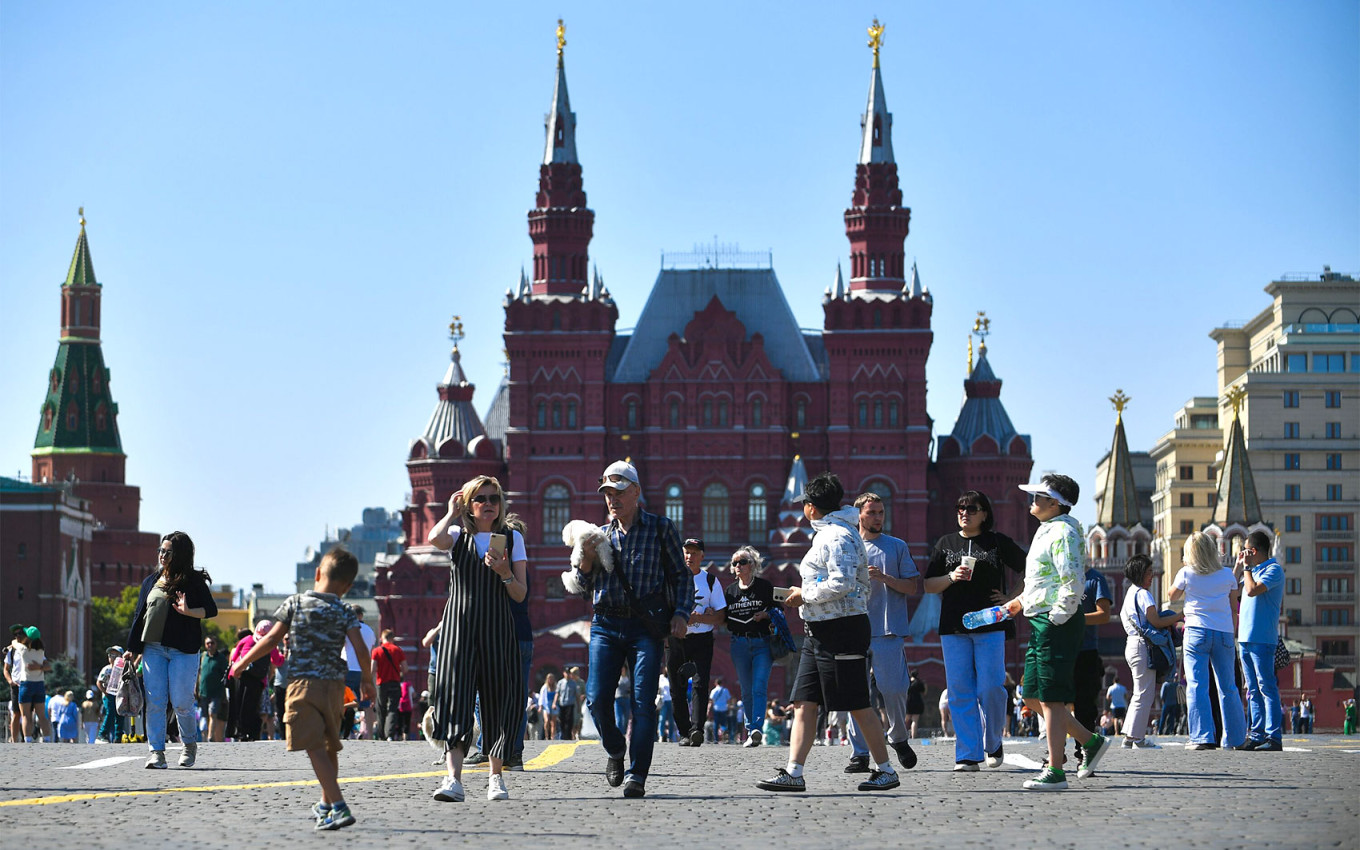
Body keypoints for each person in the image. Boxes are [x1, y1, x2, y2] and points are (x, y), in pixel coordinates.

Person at [756, 472, 901, 793]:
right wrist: (805, 593)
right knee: (804, 701)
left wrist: (803, 594)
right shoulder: (830, 533)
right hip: (818, 630)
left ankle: (886, 770)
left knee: (857, 702)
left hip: (843, 630)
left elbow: (843, 582)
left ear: (810, 508)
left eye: (804, 505)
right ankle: (794, 772)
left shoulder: (836, 536)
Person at [567, 460, 692, 799]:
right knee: (595, 699)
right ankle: (614, 749)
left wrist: (681, 613)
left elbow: (681, 576)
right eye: (607, 493)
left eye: (619, 492)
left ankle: (637, 775)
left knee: (643, 703)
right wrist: (587, 559)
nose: (612, 499)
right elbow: (581, 586)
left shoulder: (660, 528)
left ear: (636, 492)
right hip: (605, 625)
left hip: (644, 628)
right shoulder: (597, 536)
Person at [232, 547, 374, 831]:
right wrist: (368, 681)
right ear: (347, 587)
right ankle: (325, 807)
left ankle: (340, 806)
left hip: (302, 685)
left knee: (312, 745)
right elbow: (360, 648)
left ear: (317, 574)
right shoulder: (345, 610)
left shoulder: (295, 602)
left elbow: (271, 639)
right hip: (335, 686)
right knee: (328, 745)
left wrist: (242, 662)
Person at [1004, 475, 1111, 791]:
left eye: (1038, 496)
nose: (1032, 501)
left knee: (1051, 696)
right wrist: (1019, 603)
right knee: (1032, 695)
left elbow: (1071, 580)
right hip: (1041, 619)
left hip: (1055, 622)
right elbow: (1041, 580)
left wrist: (1057, 617)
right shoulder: (1046, 530)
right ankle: (1089, 742)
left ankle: (1055, 770)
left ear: (1055, 502)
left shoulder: (1064, 531)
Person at [427, 474, 528, 803]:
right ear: (469, 505)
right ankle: (453, 779)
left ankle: (495, 778)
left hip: (497, 628)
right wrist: (449, 513)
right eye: (481, 499)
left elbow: (519, 594)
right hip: (459, 628)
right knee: (455, 700)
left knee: (498, 701)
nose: (488, 504)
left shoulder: (511, 539)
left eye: (494, 498)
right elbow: (433, 538)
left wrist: (505, 574)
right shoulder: (457, 534)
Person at [923, 489, 1026, 770]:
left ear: (984, 514)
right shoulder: (945, 543)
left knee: (992, 687)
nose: (964, 513)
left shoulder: (996, 542)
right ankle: (968, 753)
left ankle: (993, 741)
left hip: (990, 622)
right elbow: (928, 584)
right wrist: (950, 576)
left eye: (970, 508)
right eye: (960, 508)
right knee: (959, 690)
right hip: (954, 625)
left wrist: (1012, 598)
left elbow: (1029, 568)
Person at [124, 531, 217, 768]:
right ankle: (156, 752)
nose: (162, 555)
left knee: (181, 701)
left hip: (182, 650)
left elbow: (211, 610)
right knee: (155, 700)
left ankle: (189, 745)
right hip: (153, 649)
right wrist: (131, 649)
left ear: (180, 554)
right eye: (161, 551)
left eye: (168, 552)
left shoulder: (193, 581)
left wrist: (189, 611)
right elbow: (139, 617)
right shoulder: (150, 582)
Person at [845, 491, 920, 772]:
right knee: (857, 693)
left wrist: (884, 578)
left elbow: (912, 587)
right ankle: (860, 753)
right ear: (859, 516)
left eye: (881, 512)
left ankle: (898, 737)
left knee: (895, 688)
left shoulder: (896, 546)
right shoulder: (848, 546)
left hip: (887, 628)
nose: (878, 517)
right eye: (872, 512)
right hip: (852, 628)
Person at [1169, 531, 1246, 750]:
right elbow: (1233, 606)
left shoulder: (1186, 573)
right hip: (1224, 632)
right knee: (1228, 686)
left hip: (1196, 631)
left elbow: (1171, 595)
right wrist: (1232, 632)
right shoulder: (1227, 575)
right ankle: (1235, 739)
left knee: (1197, 685)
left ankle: (1202, 737)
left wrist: (1184, 567)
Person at [667, 537, 727, 748]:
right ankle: (684, 732)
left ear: (702, 556)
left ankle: (697, 730)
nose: (689, 557)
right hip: (676, 639)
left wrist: (698, 618)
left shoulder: (710, 581)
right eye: (686, 552)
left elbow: (720, 617)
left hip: (702, 639)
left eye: (694, 553)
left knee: (700, 685)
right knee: (676, 687)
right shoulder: (671, 579)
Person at [1118, 554, 1182, 748]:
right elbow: (1156, 621)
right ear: (1140, 573)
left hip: (1132, 644)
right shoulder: (1144, 594)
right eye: (1148, 572)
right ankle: (1138, 738)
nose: (1152, 575)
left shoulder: (1129, 593)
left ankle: (1130, 736)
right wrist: (1179, 616)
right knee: (1144, 693)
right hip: (1143, 646)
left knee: (1139, 692)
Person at [1236, 529, 1285, 751]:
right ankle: (1256, 734)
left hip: (1262, 640)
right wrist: (1240, 567)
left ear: (1254, 551)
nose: (1245, 554)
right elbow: (1233, 592)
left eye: (1246, 551)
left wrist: (1247, 569)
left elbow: (1253, 590)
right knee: (1252, 689)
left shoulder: (1273, 570)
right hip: (1245, 639)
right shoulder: (1251, 571)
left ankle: (1273, 736)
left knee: (1266, 687)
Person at [724, 545, 778, 748]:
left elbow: (777, 610)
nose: (738, 566)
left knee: (759, 687)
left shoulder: (764, 587)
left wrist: (765, 615)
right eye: (735, 563)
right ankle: (750, 730)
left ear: (753, 565)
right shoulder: (730, 590)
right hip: (738, 643)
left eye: (743, 562)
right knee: (745, 690)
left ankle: (756, 728)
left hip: (762, 642)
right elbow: (724, 616)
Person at [227, 620, 283, 742]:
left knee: (237, 705)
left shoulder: (247, 639)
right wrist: (285, 655)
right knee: (252, 707)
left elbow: (235, 656)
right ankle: (250, 733)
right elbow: (277, 661)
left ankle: (239, 732)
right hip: (257, 679)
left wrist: (235, 669)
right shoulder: (269, 644)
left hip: (239, 676)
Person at [341, 604, 376, 739]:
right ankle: (369, 734)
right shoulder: (370, 631)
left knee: (347, 702)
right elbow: (371, 648)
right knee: (366, 704)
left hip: (348, 669)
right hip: (364, 671)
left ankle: (347, 732)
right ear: (361, 615)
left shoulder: (347, 629)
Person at [13, 626, 51, 742]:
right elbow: (47, 665)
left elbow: (14, 642)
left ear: (27, 637)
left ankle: (28, 739)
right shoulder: (41, 651)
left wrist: (17, 641)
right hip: (39, 684)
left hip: (26, 684)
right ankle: (47, 738)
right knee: (42, 716)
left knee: (26, 716)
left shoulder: (23, 650)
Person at [371, 629, 408, 741]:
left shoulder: (377, 651)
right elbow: (405, 669)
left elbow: (372, 669)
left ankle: (381, 735)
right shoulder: (398, 650)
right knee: (392, 708)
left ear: (382, 638)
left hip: (381, 683)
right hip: (395, 682)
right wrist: (398, 671)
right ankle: (390, 735)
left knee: (381, 708)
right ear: (392, 638)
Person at [197, 636, 229, 743]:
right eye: (208, 643)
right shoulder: (202, 656)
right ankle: (204, 737)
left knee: (213, 713)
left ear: (216, 644)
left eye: (212, 643)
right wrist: (195, 688)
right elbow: (199, 673)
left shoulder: (221, 658)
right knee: (203, 715)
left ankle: (211, 736)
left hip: (216, 692)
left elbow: (226, 674)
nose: (210, 645)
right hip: (203, 692)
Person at [95, 645, 125, 743]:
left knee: (120, 714)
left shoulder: (123, 669)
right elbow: (99, 682)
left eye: (115, 656)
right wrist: (105, 692)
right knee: (110, 713)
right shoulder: (106, 669)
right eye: (110, 655)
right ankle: (102, 734)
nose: (112, 658)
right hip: (109, 695)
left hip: (120, 694)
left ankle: (118, 736)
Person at [5, 624, 27, 743]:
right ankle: (14, 740)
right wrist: (10, 681)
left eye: (20, 634)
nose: (18, 636)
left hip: (27, 684)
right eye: (15, 634)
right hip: (16, 685)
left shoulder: (29, 647)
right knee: (16, 714)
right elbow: (6, 668)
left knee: (27, 713)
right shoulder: (11, 650)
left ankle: (26, 739)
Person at [556, 666, 582, 741]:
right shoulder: (560, 682)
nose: (567, 674)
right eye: (566, 673)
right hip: (562, 704)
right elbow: (557, 693)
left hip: (570, 704)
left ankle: (568, 736)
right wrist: (554, 703)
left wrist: (579, 706)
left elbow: (577, 695)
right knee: (561, 720)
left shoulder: (573, 683)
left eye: (569, 673)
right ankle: (563, 735)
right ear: (564, 673)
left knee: (569, 720)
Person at [709, 677, 732, 743]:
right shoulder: (725, 690)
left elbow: (711, 700)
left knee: (716, 724)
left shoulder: (714, 690)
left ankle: (716, 739)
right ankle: (725, 738)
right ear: (721, 683)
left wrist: (709, 709)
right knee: (724, 724)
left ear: (716, 683)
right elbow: (728, 699)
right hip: (724, 708)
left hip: (716, 708)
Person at [905, 671, 926, 740]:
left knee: (906, 720)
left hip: (908, 702)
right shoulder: (919, 683)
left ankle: (902, 736)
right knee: (915, 720)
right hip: (917, 702)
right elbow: (924, 692)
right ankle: (913, 737)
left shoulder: (907, 682)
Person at [539, 672, 559, 741]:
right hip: (546, 705)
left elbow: (557, 695)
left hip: (554, 705)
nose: (550, 680)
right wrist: (540, 706)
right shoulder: (544, 687)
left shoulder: (556, 687)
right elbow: (541, 697)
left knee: (553, 722)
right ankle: (546, 736)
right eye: (549, 679)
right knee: (546, 721)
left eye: (552, 679)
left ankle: (552, 736)